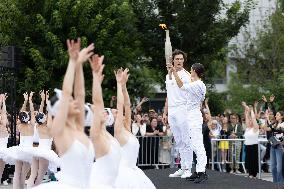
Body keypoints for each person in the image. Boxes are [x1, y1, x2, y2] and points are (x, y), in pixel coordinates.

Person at [33, 38, 95, 189]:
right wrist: (72, 62)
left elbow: (80, 94)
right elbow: (67, 92)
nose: (76, 103)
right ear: (62, 109)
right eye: (70, 101)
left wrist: (80, 65)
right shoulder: (60, 130)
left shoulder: (78, 128)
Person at [114, 68, 156, 189]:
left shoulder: (127, 128)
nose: (119, 113)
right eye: (116, 113)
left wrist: (124, 85)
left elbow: (127, 105)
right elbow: (120, 104)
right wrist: (118, 83)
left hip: (134, 171)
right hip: (123, 173)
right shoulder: (118, 131)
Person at [170, 62, 208, 183]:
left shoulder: (197, 84)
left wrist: (174, 72)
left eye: (191, 70)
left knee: (197, 145)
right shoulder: (199, 84)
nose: (190, 72)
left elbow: (181, 85)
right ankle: (198, 171)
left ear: (195, 72)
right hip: (193, 115)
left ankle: (202, 172)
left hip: (194, 116)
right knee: (193, 144)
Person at [88, 54, 121, 189]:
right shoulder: (97, 134)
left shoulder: (109, 135)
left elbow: (121, 105)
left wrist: (120, 85)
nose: (103, 112)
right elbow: (97, 101)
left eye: (107, 113)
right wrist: (96, 80)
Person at [163, 49, 193, 179]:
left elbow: (181, 86)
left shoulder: (186, 75)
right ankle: (182, 167)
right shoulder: (167, 75)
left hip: (182, 109)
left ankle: (188, 168)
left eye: (181, 59)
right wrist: (165, 112)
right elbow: (168, 95)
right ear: (173, 60)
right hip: (172, 110)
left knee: (186, 140)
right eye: (177, 59)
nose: (179, 61)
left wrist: (173, 72)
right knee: (179, 141)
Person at [25, 90, 59, 187]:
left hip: (37, 151)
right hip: (45, 152)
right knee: (40, 176)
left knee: (33, 175)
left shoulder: (38, 126)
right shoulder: (48, 126)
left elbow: (41, 113)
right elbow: (49, 111)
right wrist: (46, 99)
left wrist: (43, 99)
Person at [242, 102, 259, 178]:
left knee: (253, 160)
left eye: (251, 121)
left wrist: (251, 110)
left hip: (254, 146)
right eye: (249, 121)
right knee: (248, 160)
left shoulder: (255, 128)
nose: (250, 121)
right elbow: (247, 117)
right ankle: (250, 173)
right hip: (247, 146)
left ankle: (254, 174)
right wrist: (246, 108)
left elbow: (253, 118)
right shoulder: (248, 128)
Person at [0, 94, 9, 185]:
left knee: (2, 166)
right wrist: (2, 101)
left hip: (3, 150)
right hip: (2, 150)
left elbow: (4, 112)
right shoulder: (3, 127)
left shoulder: (5, 127)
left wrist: (3, 102)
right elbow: (3, 112)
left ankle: (2, 178)